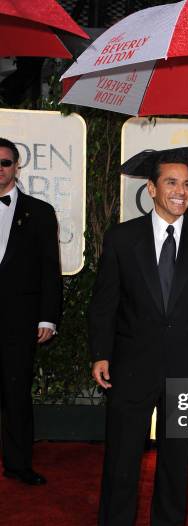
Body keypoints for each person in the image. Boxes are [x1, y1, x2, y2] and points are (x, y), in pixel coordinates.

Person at [88, 150, 188, 526]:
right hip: (132, 363)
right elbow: (104, 303)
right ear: (150, 189)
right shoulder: (121, 238)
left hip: (187, 363)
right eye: (171, 183)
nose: (180, 192)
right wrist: (100, 352)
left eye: (187, 185)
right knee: (122, 460)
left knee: (176, 461)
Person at [0, 137, 61, 486]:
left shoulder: (39, 213)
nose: (0, 169)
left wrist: (48, 316)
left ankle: (18, 464)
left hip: (19, 321)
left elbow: (49, 269)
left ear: (16, 167)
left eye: (6, 163)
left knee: (16, 394)